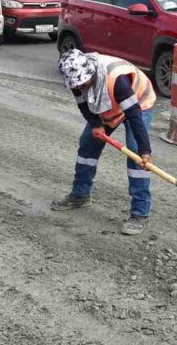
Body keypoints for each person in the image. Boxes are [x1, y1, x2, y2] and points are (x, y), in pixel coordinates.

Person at [55, 49, 157, 235]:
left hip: (138, 102)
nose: (79, 87)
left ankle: (140, 213)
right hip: (107, 105)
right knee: (88, 144)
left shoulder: (117, 80)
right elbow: (83, 105)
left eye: (82, 83)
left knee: (135, 157)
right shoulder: (76, 81)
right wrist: (95, 124)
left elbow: (133, 115)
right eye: (76, 85)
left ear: (91, 74)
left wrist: (145, 151)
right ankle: (80, 195)